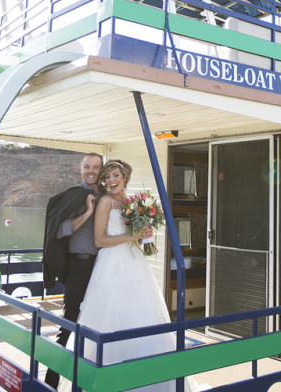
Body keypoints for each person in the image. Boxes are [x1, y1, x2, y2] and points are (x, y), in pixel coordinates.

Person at [63, 160, 193, 392]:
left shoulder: (133, 202)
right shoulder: (105, 202)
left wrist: (146, 237)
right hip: (110, 266)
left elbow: (141, 241)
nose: (111, 181)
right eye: (107, 177)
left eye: (115, 176)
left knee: (142, 313)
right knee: (110, 316)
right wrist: (132, 236)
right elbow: (99, 240)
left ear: (124, 177)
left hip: (136, 265)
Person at [43, 152, 103, 390]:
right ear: (81, 169)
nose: (91, 171)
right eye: (87, 167)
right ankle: (51, 380)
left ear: (101, 170)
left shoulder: (105, 196)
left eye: (96, 167)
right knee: (70, 321)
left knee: (98, 321)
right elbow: (60, 231)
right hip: (79, 266)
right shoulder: (75, 196)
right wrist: (87, 213)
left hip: (101, 267)